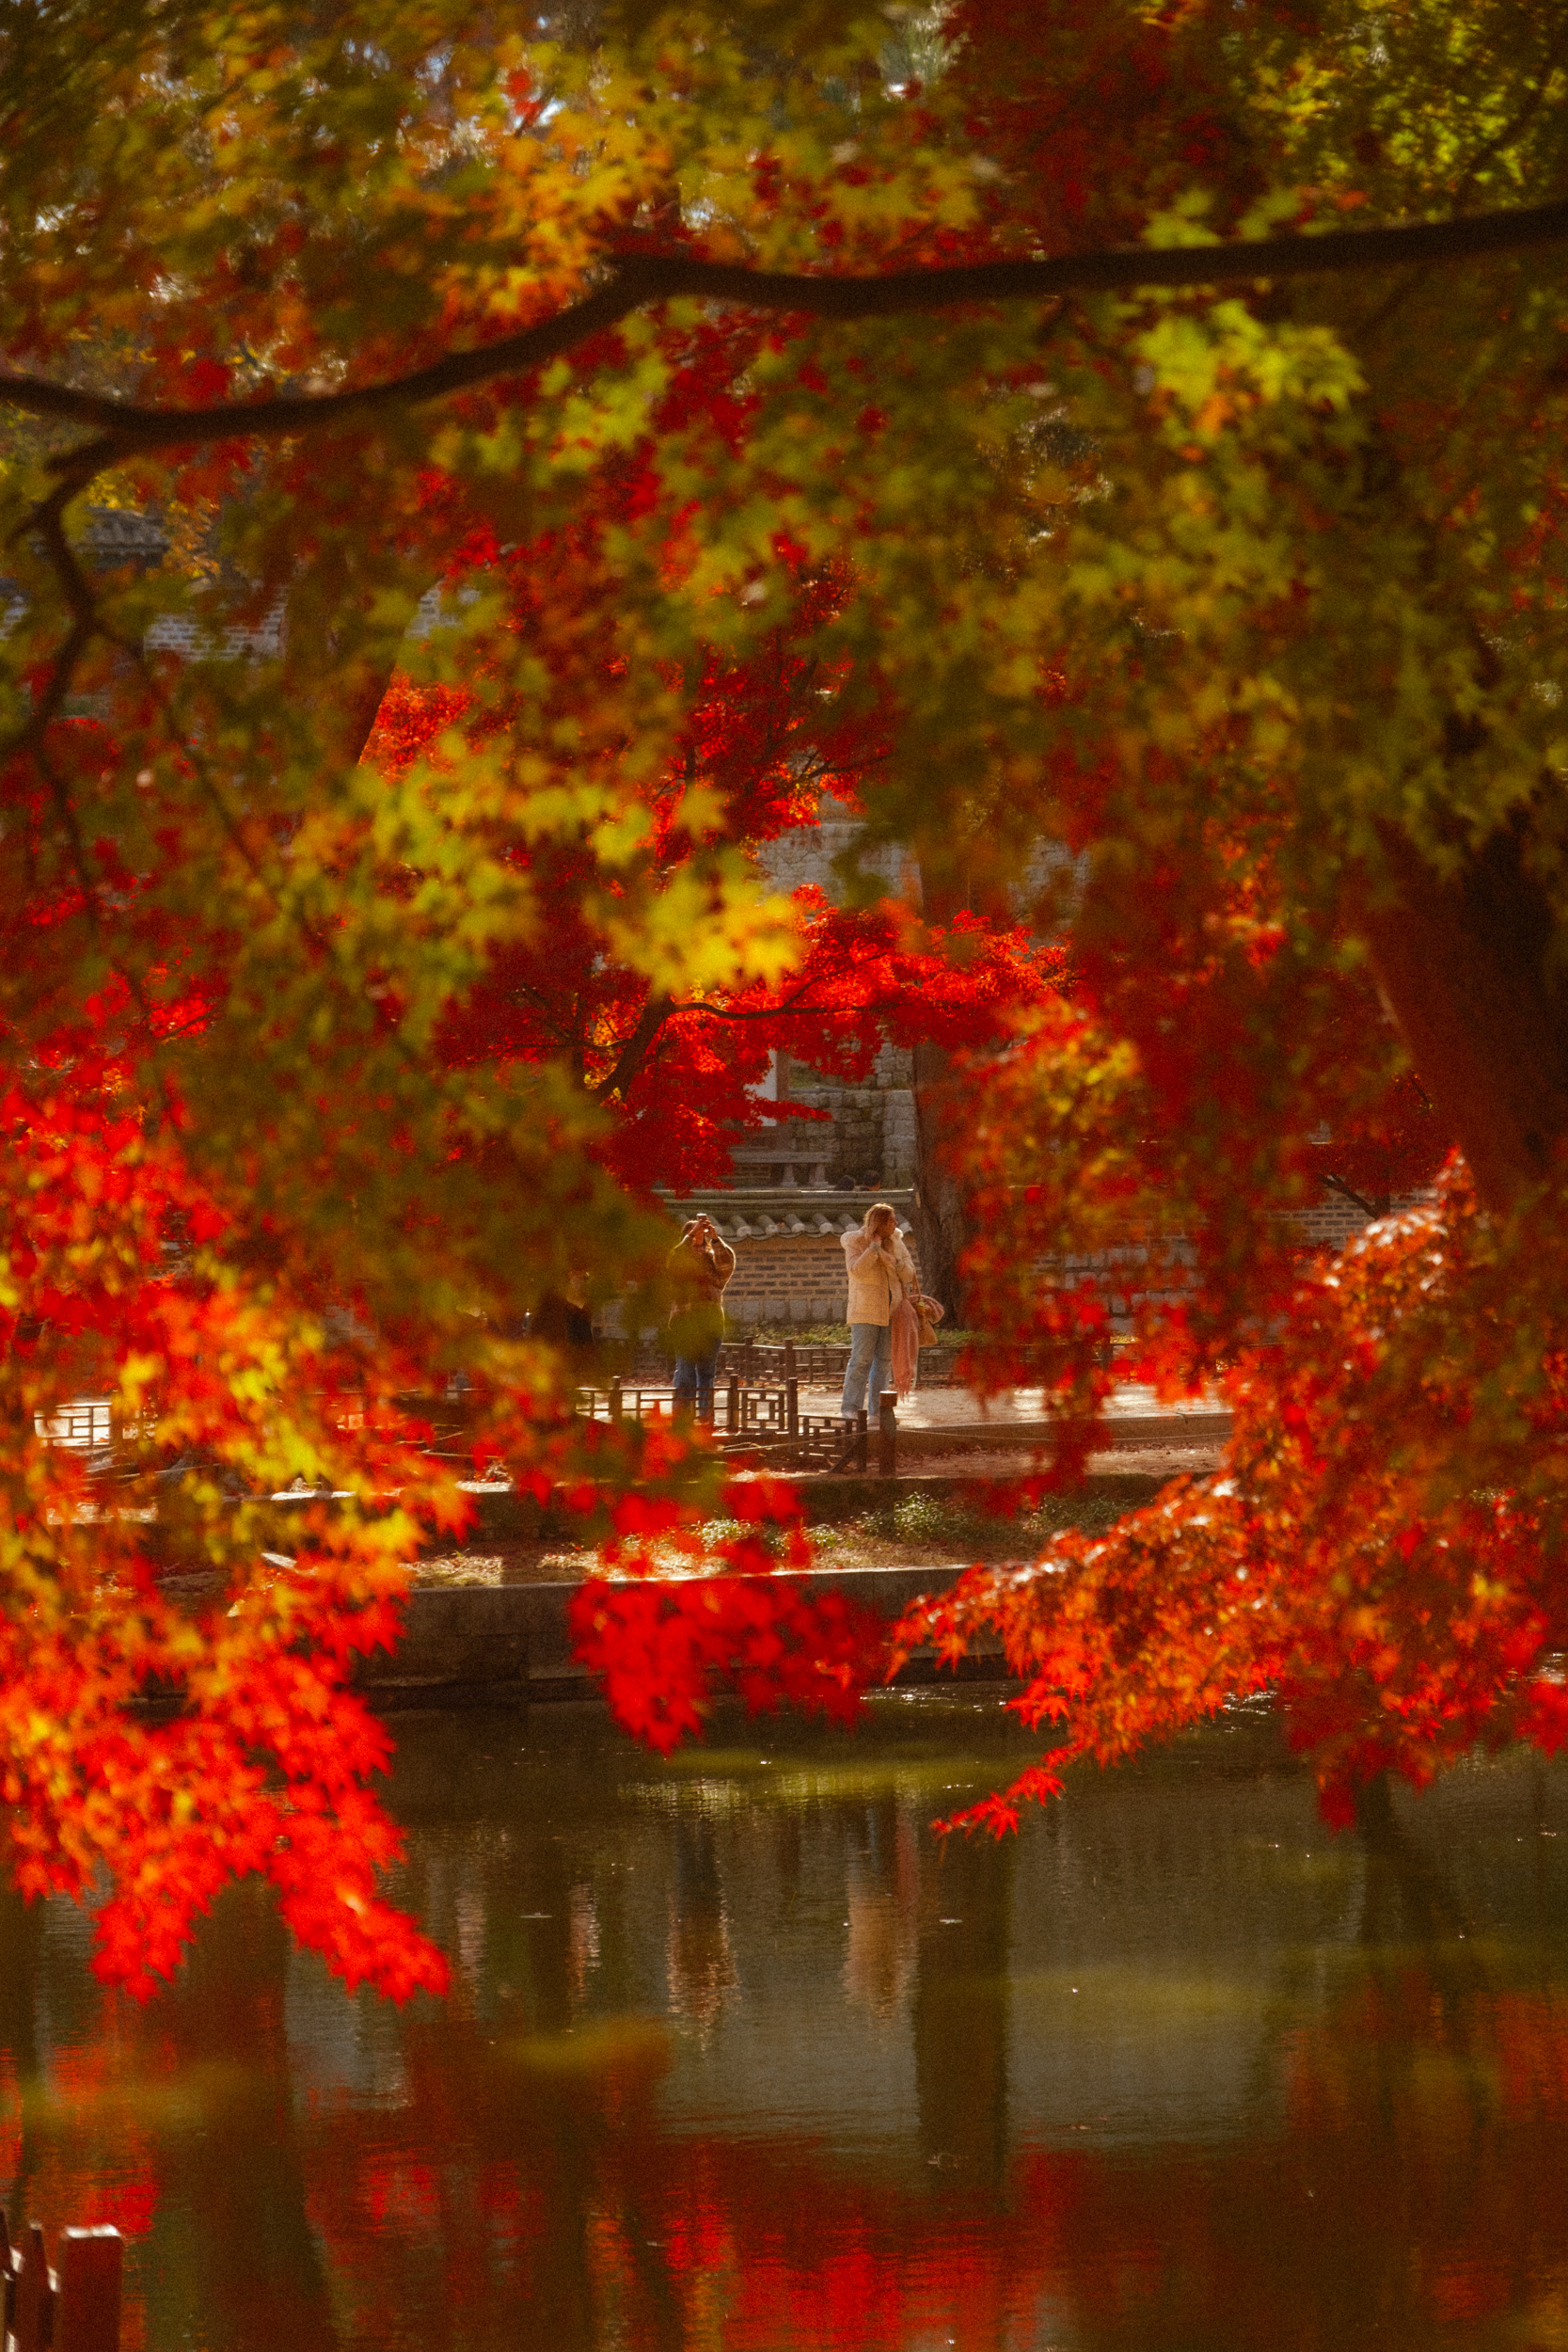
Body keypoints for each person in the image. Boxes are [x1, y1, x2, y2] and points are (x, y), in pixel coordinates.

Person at [840, 1203, 917, 1422]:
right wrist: (873, 1249)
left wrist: (895, 1261)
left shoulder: (897, 1243)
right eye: (891, 1220)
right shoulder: (855, 1241)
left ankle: (878, 1411)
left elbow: (909, 1274)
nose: (896, 1224)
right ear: (880, 1222)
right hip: (865, 1310)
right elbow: (856, 1271)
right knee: (861, 1360)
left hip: (892, 1311)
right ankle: (850, 1407)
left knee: (883, 1362)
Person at [666, 1215, 736, 1424]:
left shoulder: (713, 1263)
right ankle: (682, 1420)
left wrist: (715, 1238)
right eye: (695, 1232)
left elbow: (727, 1264)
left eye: (701, 1233)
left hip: (711, 1324)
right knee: (685, 1372)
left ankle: (705, 1418)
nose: (699, 1236)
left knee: (706, 1373)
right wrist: (691, 1236)